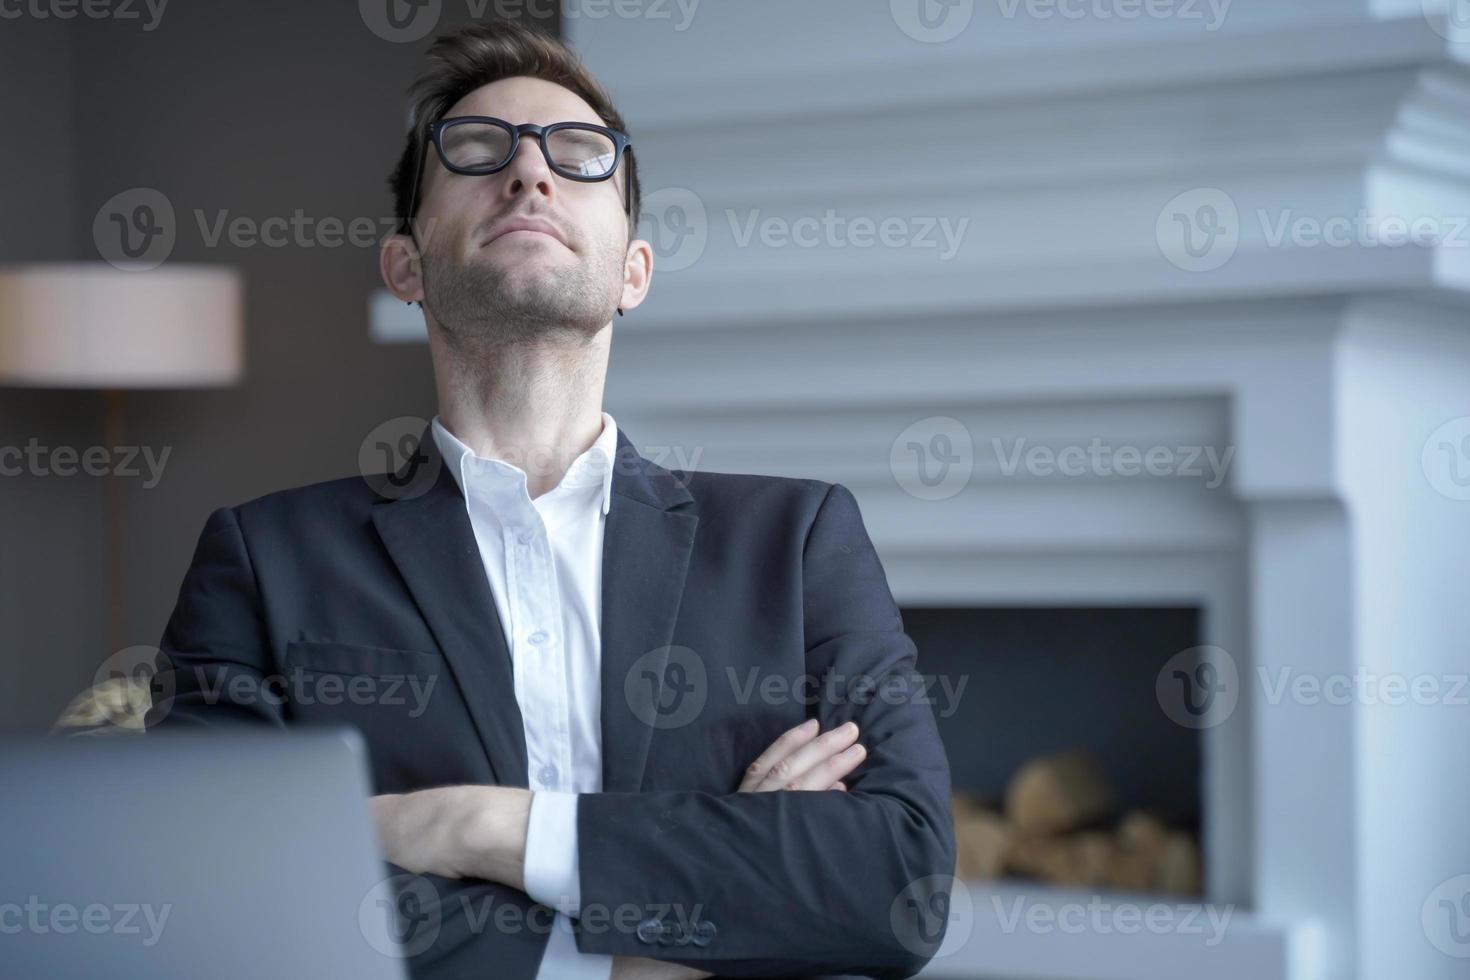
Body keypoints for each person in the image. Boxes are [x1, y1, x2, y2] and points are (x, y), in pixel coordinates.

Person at [146, 20, 954, 980]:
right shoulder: (264, 557)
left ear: (632, 272)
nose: (529, 175)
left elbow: (899, 884)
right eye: (479, 150)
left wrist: (467, 824)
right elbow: (216, 882)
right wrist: (645, 951)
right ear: (405, 264)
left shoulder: (799, 540)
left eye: (577, 158)